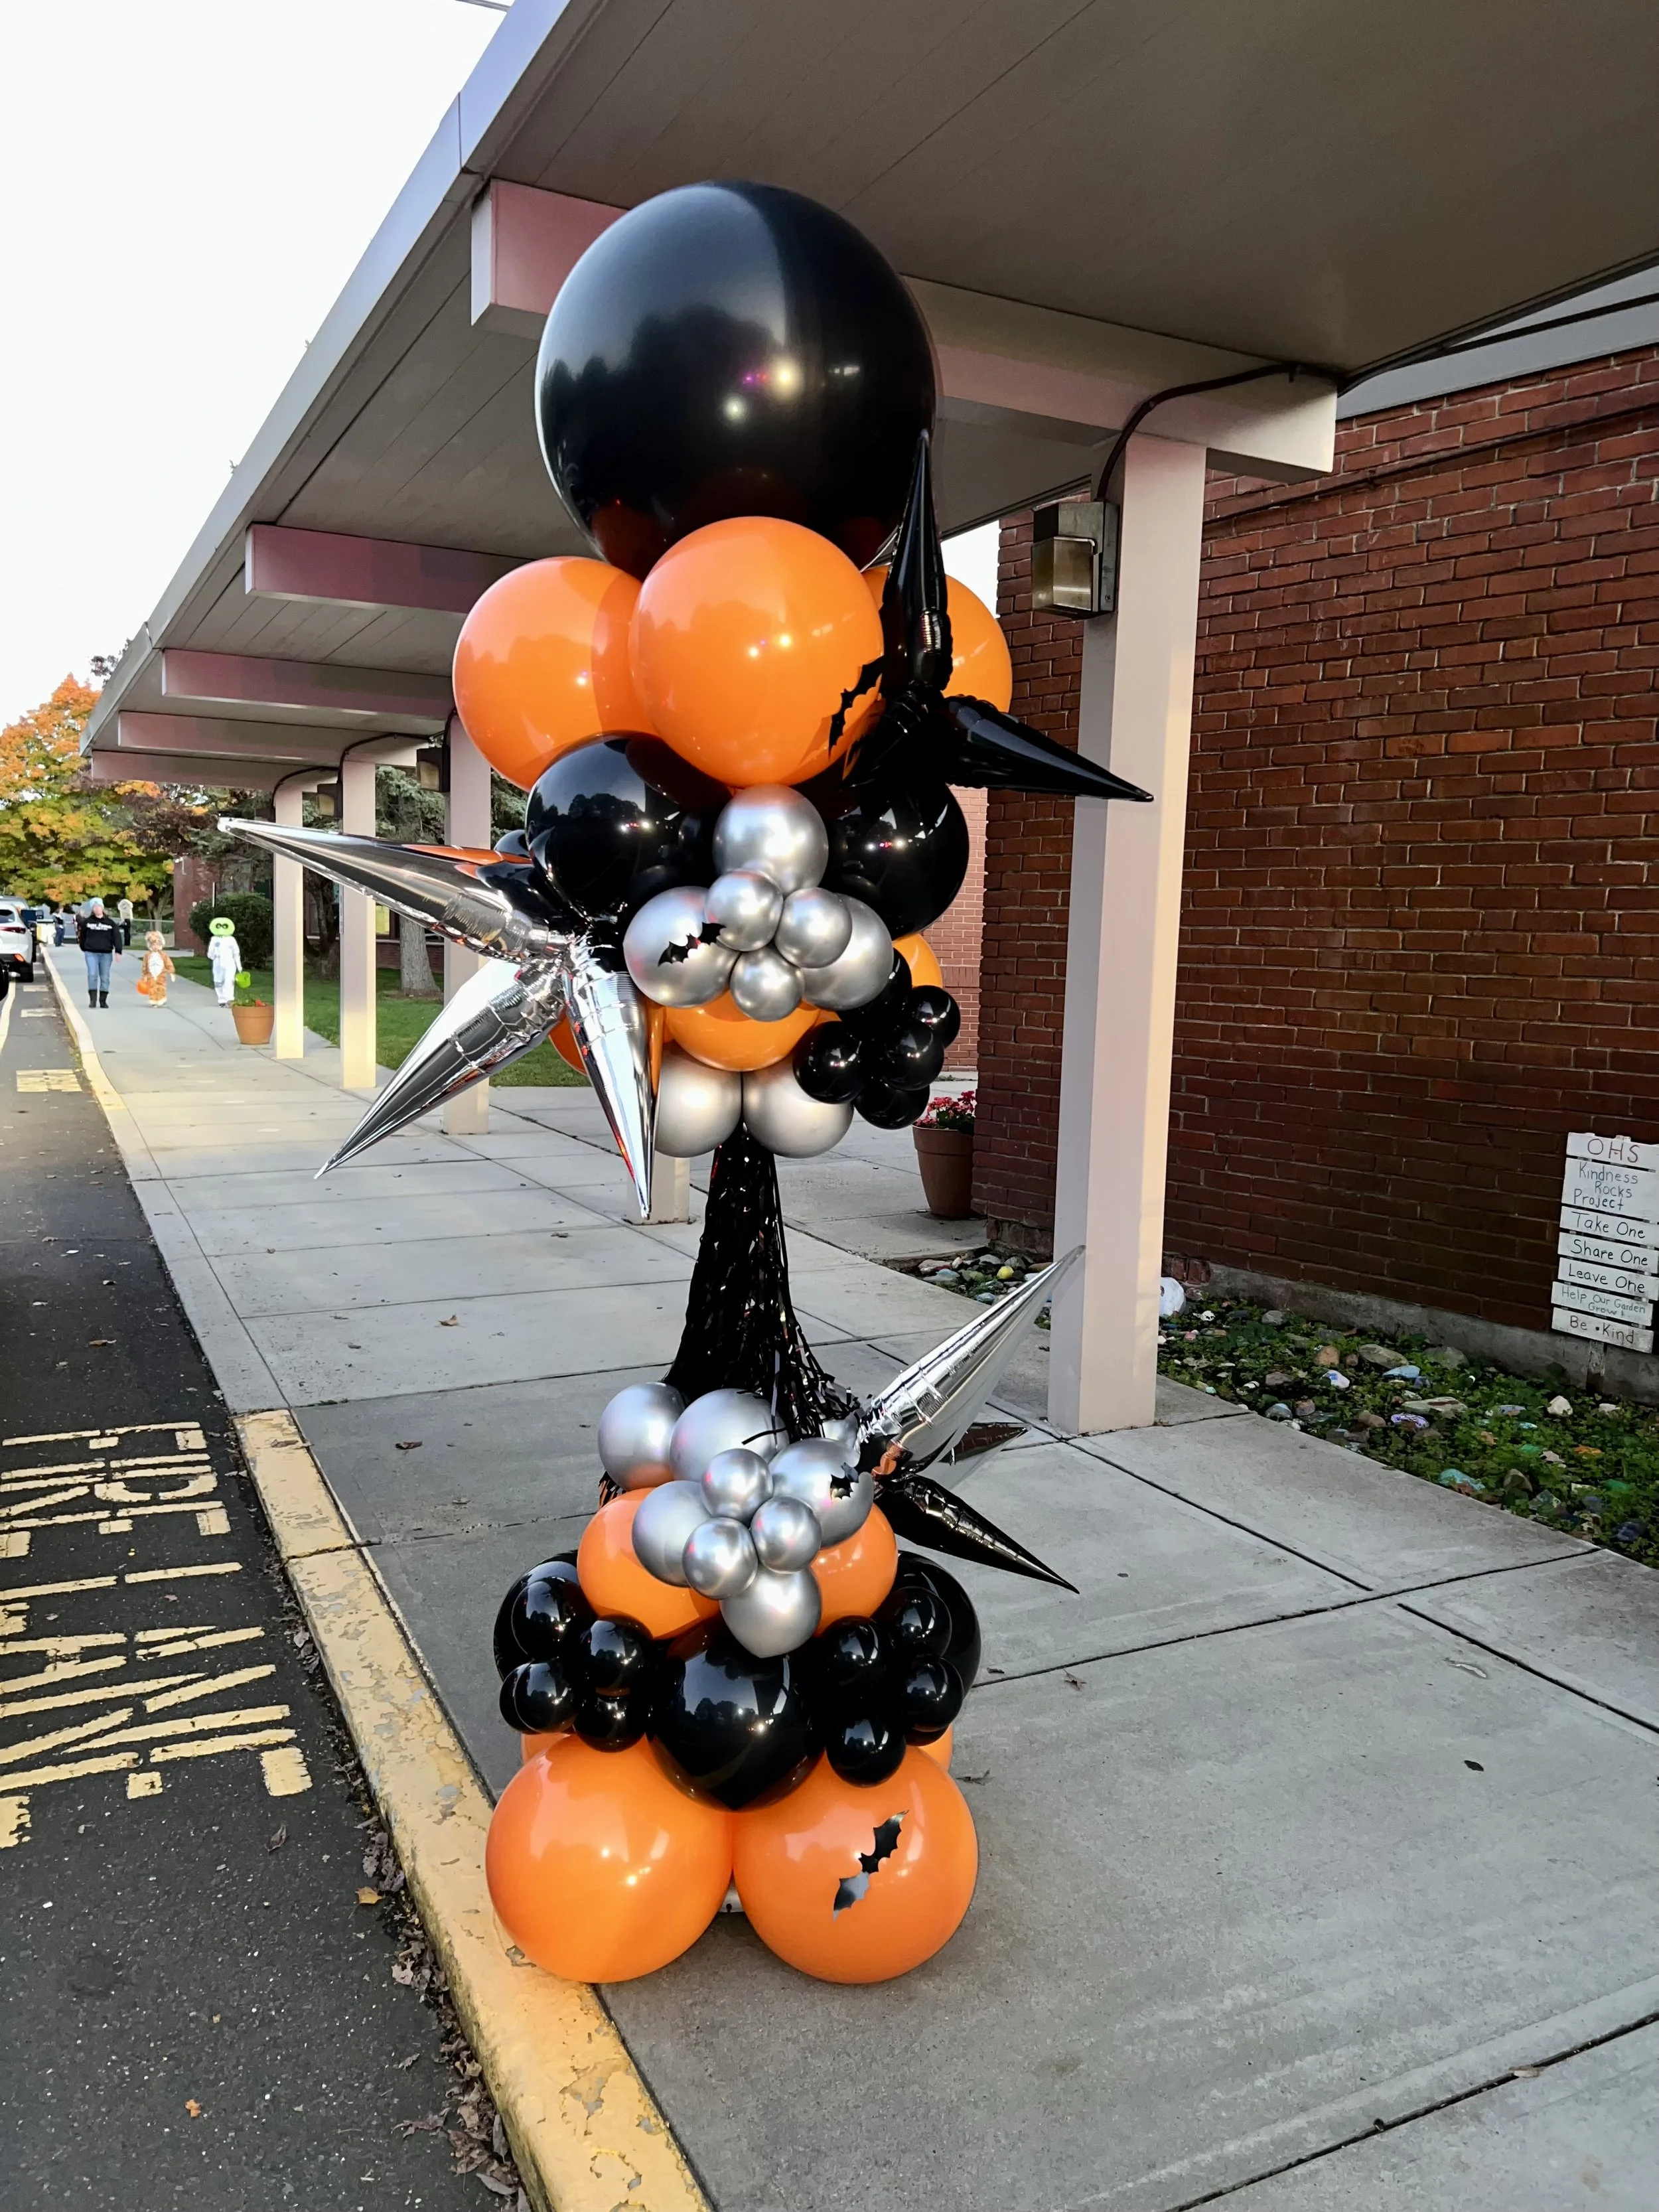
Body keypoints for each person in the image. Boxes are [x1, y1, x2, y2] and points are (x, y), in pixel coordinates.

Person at [79, 899, 120, 1007]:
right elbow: (82, 936)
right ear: (93, 909)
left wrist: (118, 951)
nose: (97, 908)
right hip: (91, 953)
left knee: (105, 977)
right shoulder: (87, 923)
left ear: (102, 908)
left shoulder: (110, 923)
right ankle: (93, 1000)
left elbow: (117, 937)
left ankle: (103, 1000)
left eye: (99, 906)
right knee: (93, 975)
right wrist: (84, 947)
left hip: (106, 954)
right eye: (95, 907)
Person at [206, 915, 242, 1007]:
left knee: (229, 980)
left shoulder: (231, 940)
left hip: (229, 962)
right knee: (218, 981)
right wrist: (213, 956)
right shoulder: (214, 939)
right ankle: (221, 999)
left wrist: (239, 966)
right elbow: (210, 953)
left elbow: (236, 953)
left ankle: (230, 999)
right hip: (218, 962)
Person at [136, 930, 175, 1006]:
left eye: (157, 944)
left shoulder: (163, 955)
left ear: (161, 945)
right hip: (151, 974)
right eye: (153, 945)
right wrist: (145, 975)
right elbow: (145, 966)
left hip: (161, 974)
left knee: (161, 986)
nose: (155, 947)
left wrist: (171, 972)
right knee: (152, 987)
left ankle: (162, 999)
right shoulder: (147, 956)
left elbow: (169, 964)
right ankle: (154, 1000)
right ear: (150, 945)